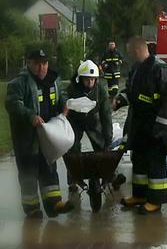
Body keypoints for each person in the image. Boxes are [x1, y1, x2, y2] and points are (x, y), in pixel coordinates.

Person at [112, 36, 167, 215]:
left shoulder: (159, 69)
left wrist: (161, 128)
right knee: (139, 162)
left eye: (130, 53)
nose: (129, 56)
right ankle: (140, 196)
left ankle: (155, 201)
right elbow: (132, 92)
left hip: (156, 128)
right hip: (139, 126)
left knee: (156, 163)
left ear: (137, 51)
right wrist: (120, 100)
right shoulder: (137, 69)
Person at [4, 49, 74, 219]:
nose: (42, 67)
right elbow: (12, 103)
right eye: (37, 64)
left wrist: (65, 104)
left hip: (48, 136)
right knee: (29, 172)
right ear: (29, 63)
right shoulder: (18, 83)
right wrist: (30, 116)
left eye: (44, 63)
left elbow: (62, 96)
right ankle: (32, 208)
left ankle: (54, 204)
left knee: (49, 168)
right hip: (27, 140)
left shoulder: (54, 80)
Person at [65, 60, 113, 193]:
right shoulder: (72, 89)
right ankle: (73, 180)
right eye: (87, 79)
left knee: (102, 146)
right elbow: (64, 107)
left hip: (93, 120)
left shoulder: (101, 91)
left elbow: (106, 116)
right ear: (80, 79)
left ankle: (107, 176)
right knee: (72, 148)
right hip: (75, 121)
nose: (90, 82)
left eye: (93, 79)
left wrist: (108, 139)